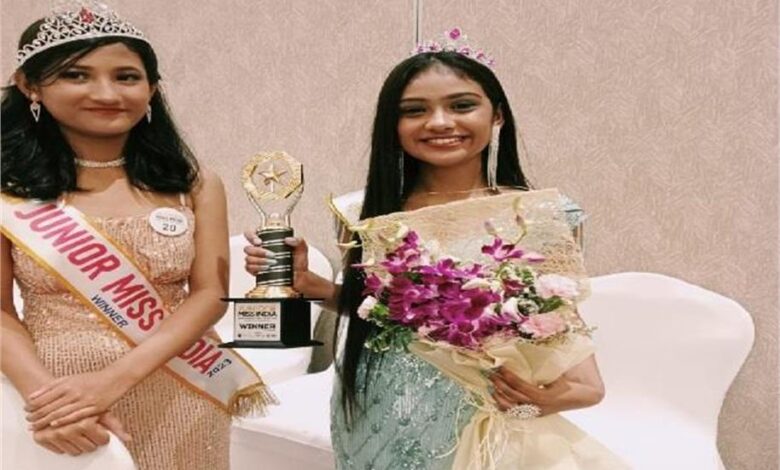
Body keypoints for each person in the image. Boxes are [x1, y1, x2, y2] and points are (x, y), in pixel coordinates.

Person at [244, 32, 608, 469]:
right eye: (414, 111)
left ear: (497, 115)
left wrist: (555, 396)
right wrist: (311, 285)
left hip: (478, 410)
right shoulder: (362, 213)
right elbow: (383, 315)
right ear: (392, 125)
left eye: (461, 105)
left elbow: (557, 324)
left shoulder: (539, 215)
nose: (439, 122)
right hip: (377, 410)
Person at [1, 3, 270, 469]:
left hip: (182, 389)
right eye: (76, 75)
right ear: (30, 85)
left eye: (126, 77)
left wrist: (110, 382)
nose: (106, 93)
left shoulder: (194, 183)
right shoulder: (7, 190)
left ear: (152, 89)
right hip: (55, 395)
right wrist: (52, 404)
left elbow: (209, 295)